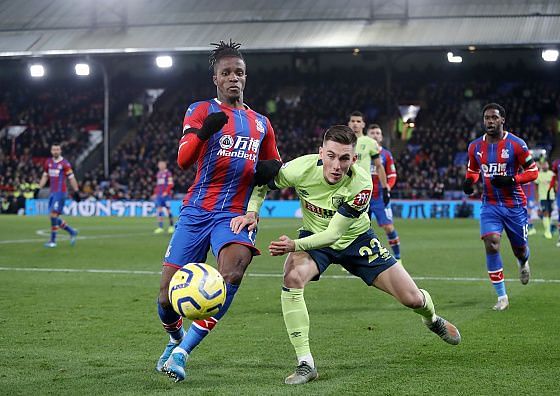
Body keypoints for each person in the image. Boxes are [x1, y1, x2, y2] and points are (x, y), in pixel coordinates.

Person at [232, 125, 460, 385]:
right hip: (314, 237)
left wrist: (294, 245)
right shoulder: (300, 169)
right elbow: (262, 183)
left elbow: (334, 235)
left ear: (354, 159)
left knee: (413, 299)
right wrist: (252, 211)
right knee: (292, 277)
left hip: (356, 240)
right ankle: (306, 363)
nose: (336, 165)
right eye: (331, 156)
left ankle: (432, 319)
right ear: (321, 153)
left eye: (344, 158)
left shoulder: (361, 184)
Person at [156, 40, 281, 382]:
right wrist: (202, 133)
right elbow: (183, 160)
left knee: (232, 273)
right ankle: (174, 338)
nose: (233, 78)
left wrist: (268, 179)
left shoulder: (260, 124)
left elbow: (273, 170)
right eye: (226, 73)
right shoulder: (199, 110)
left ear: (245, 77)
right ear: (216, 79)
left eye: (238, 72)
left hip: (235, 215)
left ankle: (183, 353)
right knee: (166, 299)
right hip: (197, 210)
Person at [463, 103, 539, 311]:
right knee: (492, 243)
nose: (490, 121)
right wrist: (469, 182)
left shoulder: (516, 144)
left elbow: (533, 172)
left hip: (514, 205)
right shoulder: (475, 147)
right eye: (487, 118)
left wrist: (512, 180)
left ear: (502, 120)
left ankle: (523, 262)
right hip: (490, 204)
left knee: (520, 249)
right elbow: (473, 171)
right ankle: (502, 296)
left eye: (494, 118)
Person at [366, 124, 401, 259]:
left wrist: (388, 188)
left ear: (381, 137)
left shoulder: (386, 154)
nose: (375, 135)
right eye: (372, 133)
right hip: (364, 197)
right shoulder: (361, 153)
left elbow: (392, 175)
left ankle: (398, 258)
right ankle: (356, 260)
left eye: (377, 133)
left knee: (388, 227)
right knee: (359, 230)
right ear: (367, 136)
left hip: (380, 197)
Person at [38, 143, 80, 248]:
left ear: (60, 151)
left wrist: (76, 191)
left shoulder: (65, 164)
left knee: (53, 215)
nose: (55, 151)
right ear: (51, 151)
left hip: (60, 193)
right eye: (54, 149)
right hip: (52, 193)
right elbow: (45, 176)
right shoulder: (48, 162)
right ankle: (72, 232)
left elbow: (71, 178)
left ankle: (53, 241)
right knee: (53, 217)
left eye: (57, 149)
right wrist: (39, 187)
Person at [348, 111, 390, 206]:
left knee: (363, 218)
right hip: (345, 186)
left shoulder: (370, 142)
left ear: (363, 124)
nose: (355, 124)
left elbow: (379, 166)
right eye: (353, 121)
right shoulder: (342, 141)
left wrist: (384, 188)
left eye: (358, 121)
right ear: (349, 124)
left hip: (363, 186)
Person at [153, 160, 175, 234]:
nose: (160, 166)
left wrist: (166, 192)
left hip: (166, 195)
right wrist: (155, 193)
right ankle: (160, 227)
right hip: (159, 195)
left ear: (165, 165)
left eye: (162, 164)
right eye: (159, 165)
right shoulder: (158, 174)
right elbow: (158, 185)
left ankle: (171, 226)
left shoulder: (168, 174)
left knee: (168, 210)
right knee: (159, 210)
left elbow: (171, 184)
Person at [534, 160, 555, 239]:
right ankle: (547, 232)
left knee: (549, 214)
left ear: (548, 165)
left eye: (546, 164)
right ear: (542, 166)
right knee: (545, 213)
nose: (545, 166)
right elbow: (536, 187)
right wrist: (536, 198)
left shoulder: (552, 174)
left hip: (551, 197)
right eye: (544, 164)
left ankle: (549, 230)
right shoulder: (538, 175)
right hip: (543, 197)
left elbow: (555, 185)